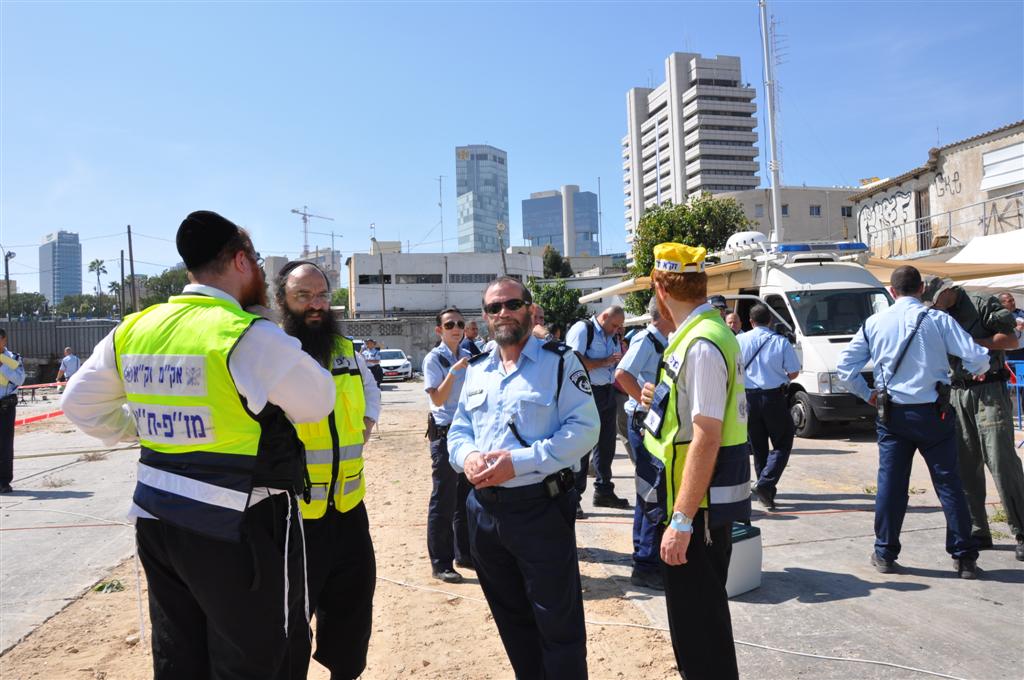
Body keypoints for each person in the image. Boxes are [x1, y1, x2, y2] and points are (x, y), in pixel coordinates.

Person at [62, 210, 337, 679]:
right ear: (239, 262)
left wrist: (148, 426)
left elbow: (79, 405)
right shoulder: (246, 335)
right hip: (240, 523)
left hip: (159, 520)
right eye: (255, 260)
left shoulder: (135, 327)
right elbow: (317, 402)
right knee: (257, 658)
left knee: (179, 655)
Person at [448, 276, 598, 679]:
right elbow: (459, 429)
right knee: (512, 622)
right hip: (484, 513)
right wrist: (470, 456)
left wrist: (523, 461)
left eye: (511, 304)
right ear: (484, 316)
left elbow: (584, 429)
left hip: (540, 509)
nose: (503, 313)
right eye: (494, 308)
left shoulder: (560, 361)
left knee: (558, 626)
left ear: (530, 310)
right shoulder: (478, 369)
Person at [639, 243, 750, 680]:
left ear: (659, 287)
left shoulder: (701, 343)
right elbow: (696, 416)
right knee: (697, 623)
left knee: (699, 631)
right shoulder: (699, 337)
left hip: (696, 510)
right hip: (695, 503)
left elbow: (707, 434)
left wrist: (682, 521)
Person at [836, 265, 989, 579]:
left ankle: (885, 553)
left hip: (892, 415)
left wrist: (869, 396)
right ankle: (964, 558)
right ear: (922, 289)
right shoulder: (939, 320)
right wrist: (974, 369)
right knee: (950, 485)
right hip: (935, 413)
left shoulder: (874, 323)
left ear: (892, 292)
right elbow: (978, 357)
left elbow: (845, 370)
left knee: (891, 486)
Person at [274, 260, 381, 680]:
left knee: (352, 614)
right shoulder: (271, 353)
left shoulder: (347, 351)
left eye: (322, 295)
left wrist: (366, 425)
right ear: (282, 298)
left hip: (349, 508)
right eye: (304, 296)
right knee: (290, 625)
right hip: (294, 518)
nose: (316, 305)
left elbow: (370, 393)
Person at [923, 278, 1024, 562]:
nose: (934, 307)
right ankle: (978, 529)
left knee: (1002, 461)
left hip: (989, 390)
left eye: (935, 301)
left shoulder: (981, 304)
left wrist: (968, 344)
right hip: (957, 393)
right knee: (965, 464)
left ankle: (1021, 530)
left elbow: (1011, 340)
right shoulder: (938, 315)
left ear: (946, 293)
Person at [614, 296, 674, 591]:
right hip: (643, 424)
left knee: (649, 492)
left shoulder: (662, 339)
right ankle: (646, 563)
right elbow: (622, 374)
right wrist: (646, 403)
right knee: (651, 492)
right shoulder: (646, 340)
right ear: (663, 312)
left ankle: (646, 557)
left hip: (652, 425)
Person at [422, 306, 474, 583]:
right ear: (439, 330)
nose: (456, 328)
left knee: (465, 498)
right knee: (443, 499)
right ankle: (441, 562)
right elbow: (439, 400)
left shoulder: (468, 356)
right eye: (450, 324)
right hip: (444, 434)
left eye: (460, 323)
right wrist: (453, 372)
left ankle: (464, 553)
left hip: (467, 433)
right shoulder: (435, 359)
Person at [739, 303, 801, 511]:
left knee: (758, 447)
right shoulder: (780, 342)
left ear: (750, 321)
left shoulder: (739, 340)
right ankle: (765, 484)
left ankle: (765, 490)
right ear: (771, 320)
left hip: (748, 398)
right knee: (783, 442)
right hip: (773, 397)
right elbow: (793, 373)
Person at [566, 305, 628, 511]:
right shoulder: (583, 329)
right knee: (583, 444)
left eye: (619, 326)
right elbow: (575, 362)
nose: (616, 329)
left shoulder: (611, 335)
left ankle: (604, 490)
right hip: (585, 392)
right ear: (604, 316)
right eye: (614, 325)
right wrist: (605, 361)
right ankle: (573, 497)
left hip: (606, 391)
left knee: (606, 444)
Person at [0, 329, 25, 494]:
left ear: (4, 340)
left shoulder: (13, 358)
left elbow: (20, 379)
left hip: (5, 406)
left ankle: (4, 482)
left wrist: (3, 367)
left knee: (5, 446)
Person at [998, 292, 1024, 361]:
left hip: (1021, 351)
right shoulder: (997, 316)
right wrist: (1015, 327)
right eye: (1009, 301)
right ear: (1002, 304)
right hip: (1006, 353)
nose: (1013, 302)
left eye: (1013, 300)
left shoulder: (1019, 312)